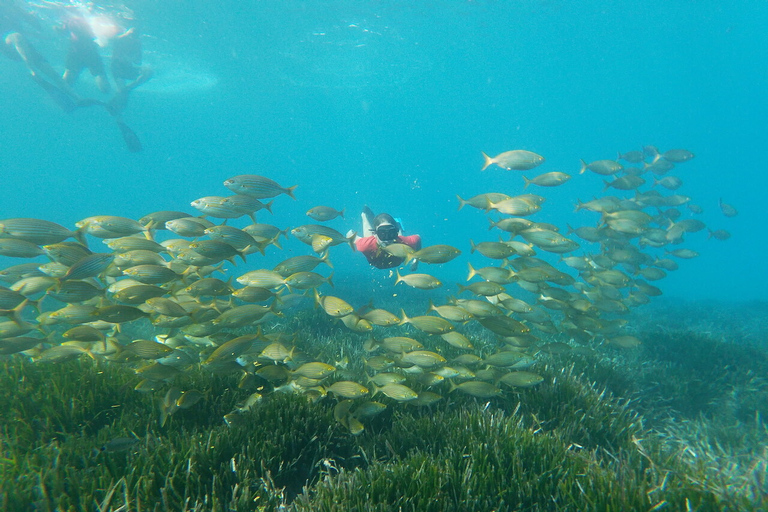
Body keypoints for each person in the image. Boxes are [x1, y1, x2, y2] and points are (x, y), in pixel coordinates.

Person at [352, 206, 421, 269]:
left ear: (395, 233)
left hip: (396, 241)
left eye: (391, 233)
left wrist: (416, 261)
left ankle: (397, 226)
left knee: (400, 237)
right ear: (375, 234)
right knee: (368, 236)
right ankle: (364, 215)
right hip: (373, 243)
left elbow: (418, 238)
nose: (387, 240)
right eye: (382, 234)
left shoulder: (404, 243)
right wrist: (347, 237)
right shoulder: (365, 245)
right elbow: (350, 237)